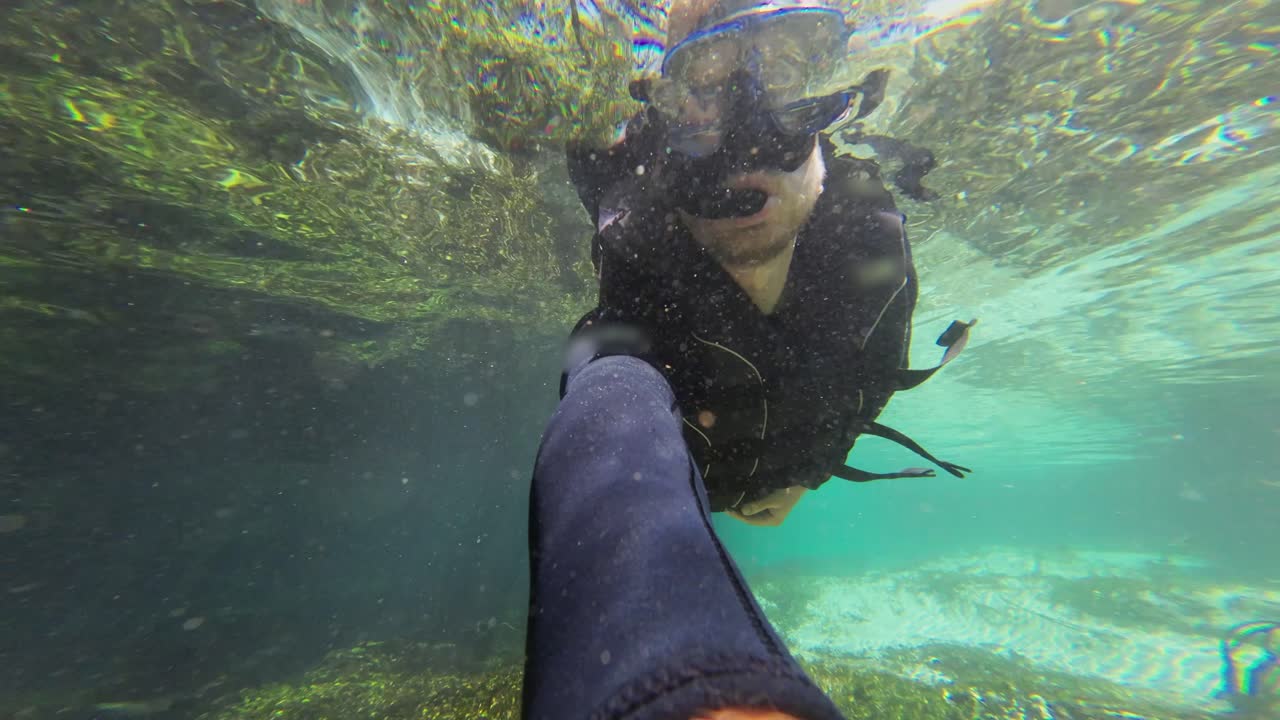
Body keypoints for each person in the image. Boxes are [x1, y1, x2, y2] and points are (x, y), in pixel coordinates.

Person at [523, 1, 973, 718]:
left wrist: (808, 469)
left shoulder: (871, 243)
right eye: (700, 93)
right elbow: (606, 409)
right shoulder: (639, 267)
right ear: (664, 110)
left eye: (785, 72)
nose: (747, 133)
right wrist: (664, 681)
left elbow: (868, 383)